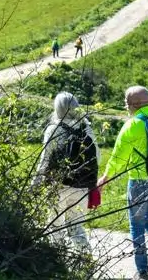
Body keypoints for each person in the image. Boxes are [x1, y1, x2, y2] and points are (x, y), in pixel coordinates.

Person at [98, 86, 148, 279]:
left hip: (139, 181)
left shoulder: (132, 125)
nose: (125, 106)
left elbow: (118, 157)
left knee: (137, 226)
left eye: (126, 102)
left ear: (133, 104)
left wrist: (105, 177)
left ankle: (142, 271)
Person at [34, 92, 98, 252]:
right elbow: (98, 157)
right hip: (82, 185)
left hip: (59, 185)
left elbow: (44, 160)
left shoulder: (53, 129)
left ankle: (56, 259)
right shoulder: (87, 128)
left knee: (55, 226)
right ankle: (85, 258)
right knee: (76, 228)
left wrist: (35, 183)